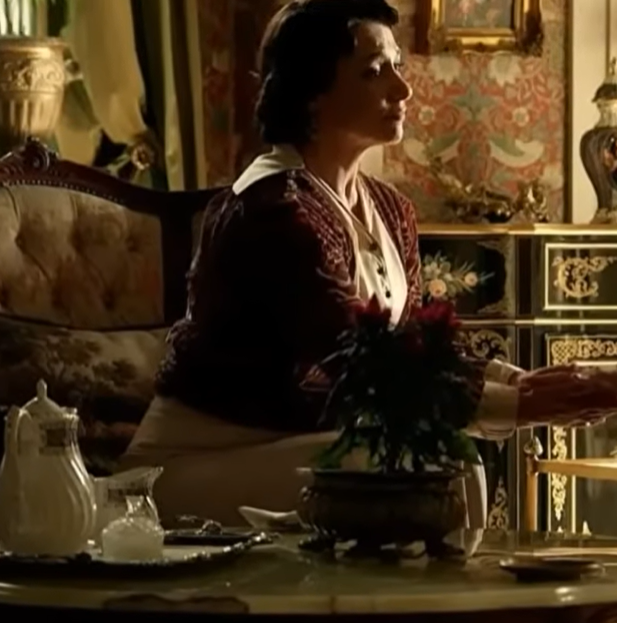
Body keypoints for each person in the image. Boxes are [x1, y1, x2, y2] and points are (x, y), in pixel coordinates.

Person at [122, 0, 617, 527]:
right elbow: (359, 361)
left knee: (443, 458)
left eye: (398, 66)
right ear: (311, 90)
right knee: (429, 464)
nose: (403, 89)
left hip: (300, 444)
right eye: (375, 71)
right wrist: (523, 407)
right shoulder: (271, 210)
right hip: (198, 464)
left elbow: (414, 342)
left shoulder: (389, 208)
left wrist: (519, 381)